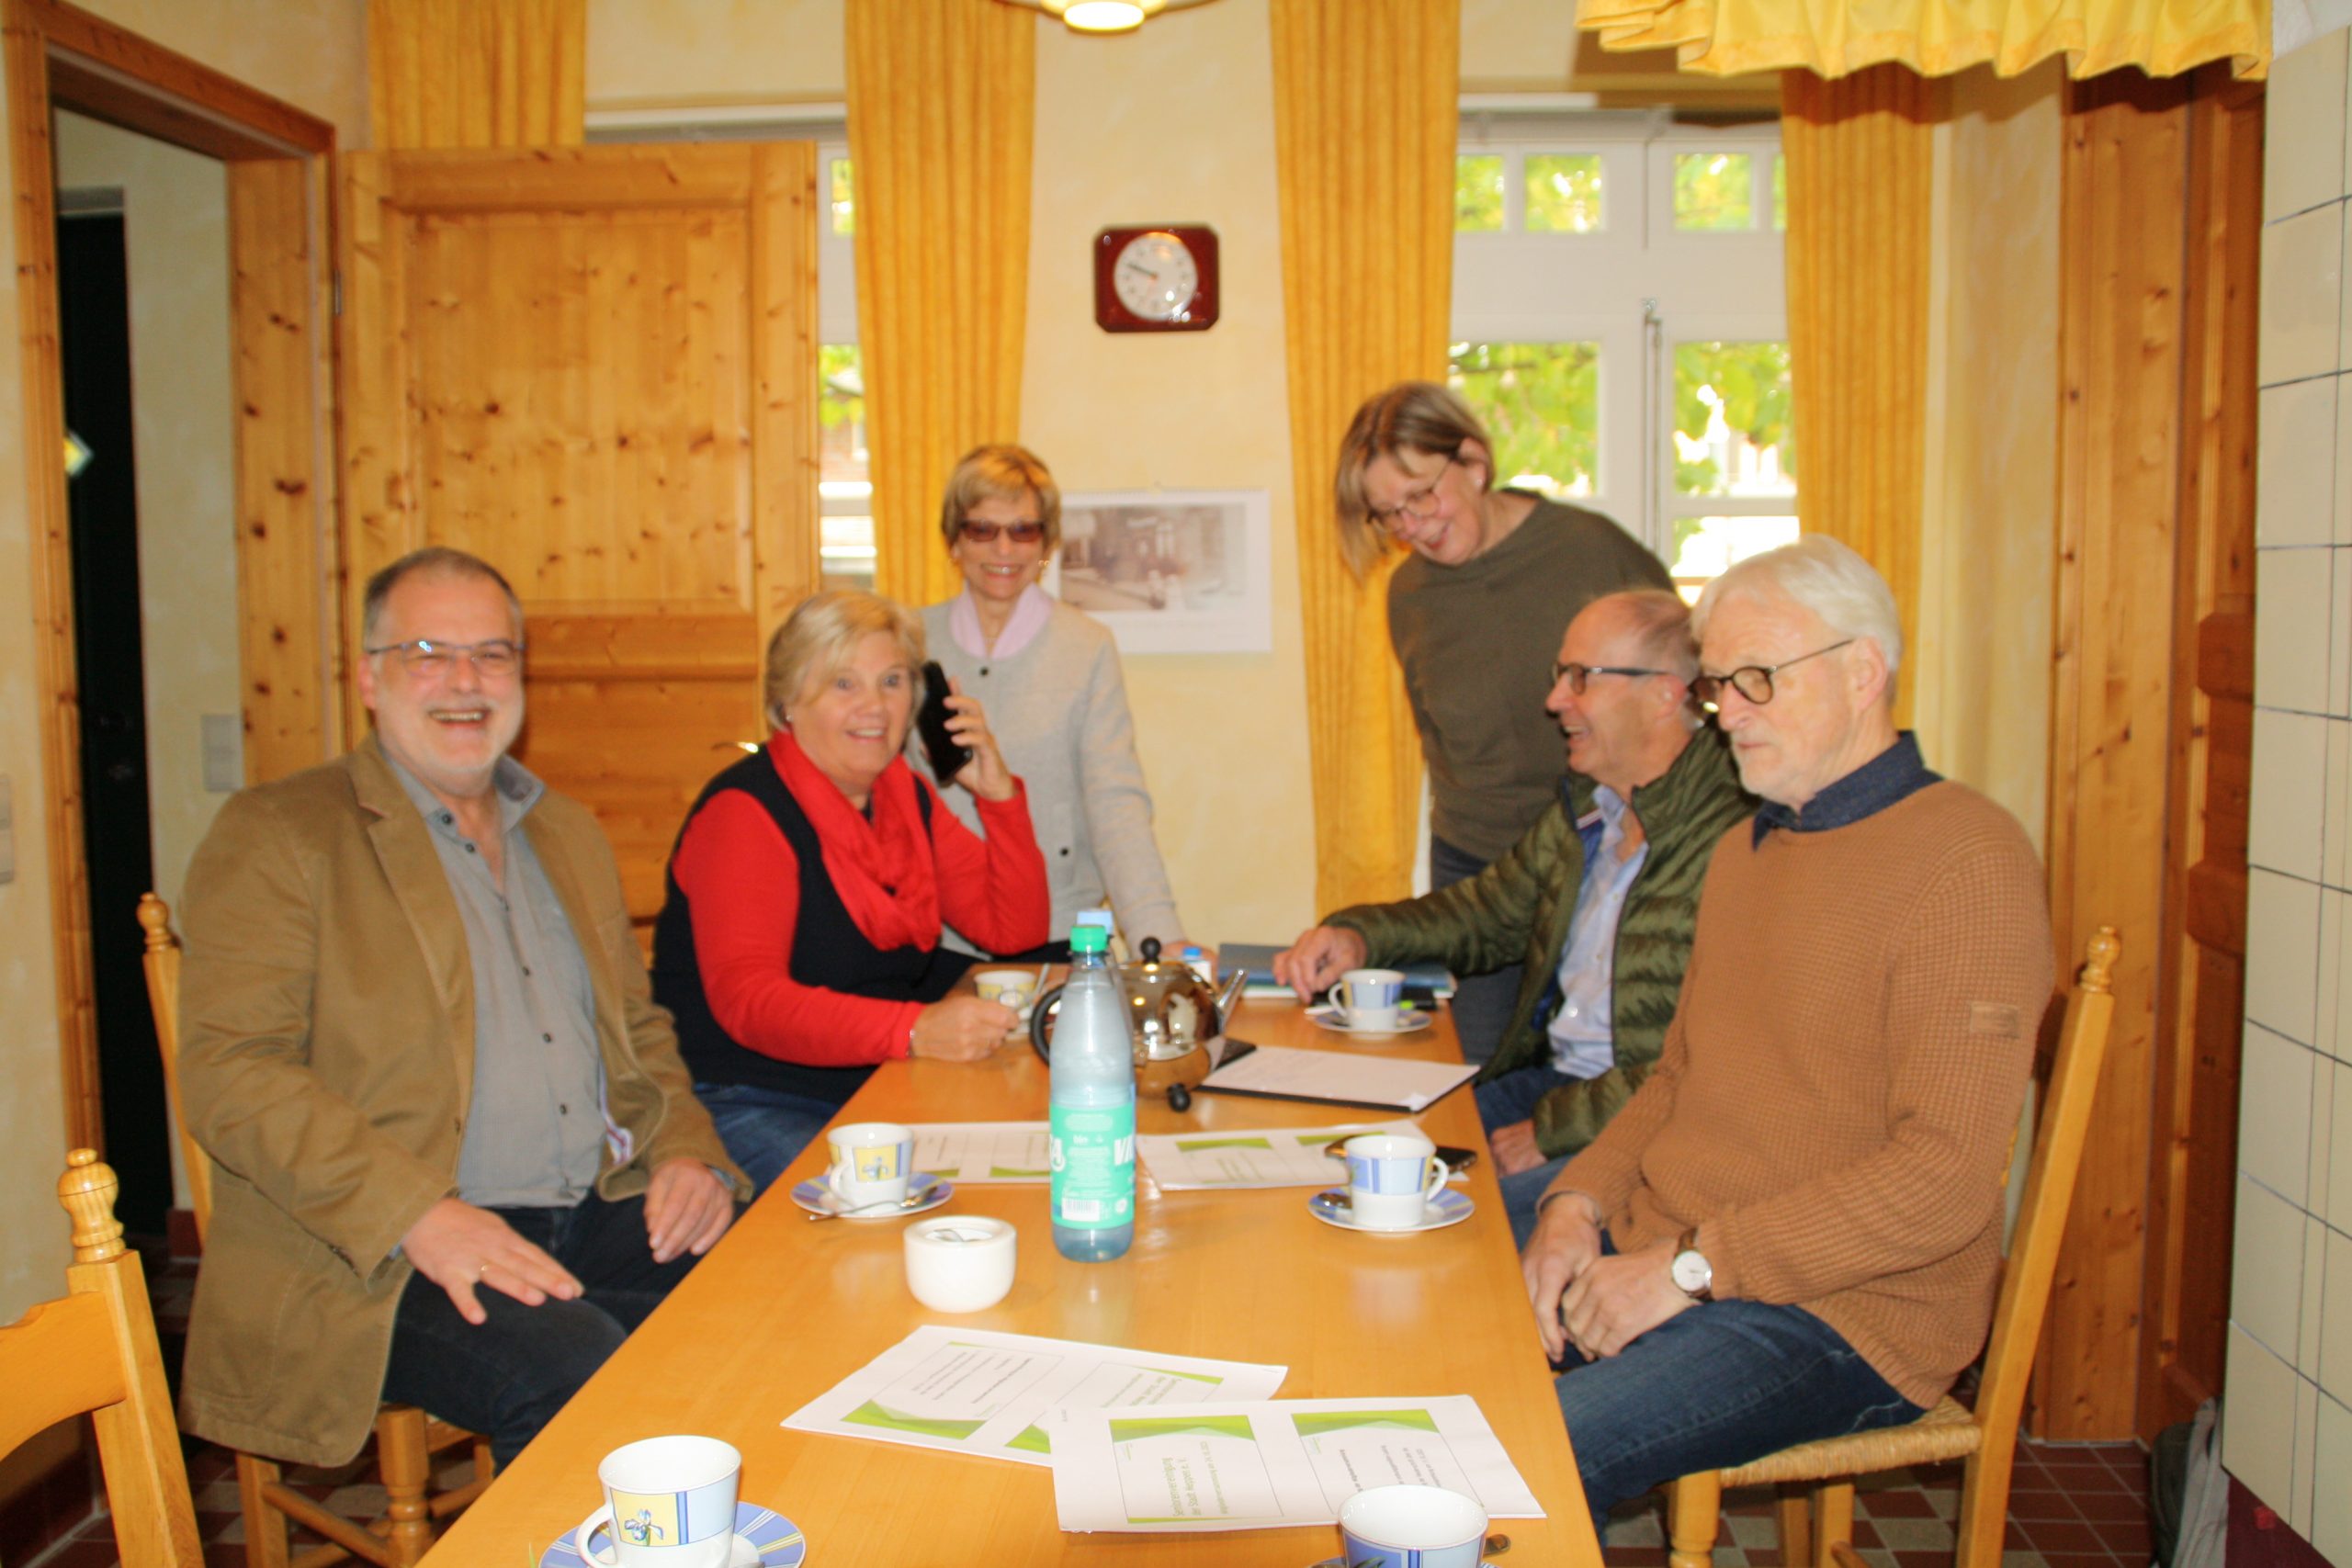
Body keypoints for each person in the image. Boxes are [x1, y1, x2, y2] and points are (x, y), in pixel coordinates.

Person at [1520, 537, 2053, 1532]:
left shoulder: (1968, 861)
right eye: (1719, 685)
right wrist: (1574, 1202)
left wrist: (1688, 1268)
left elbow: (1942, 1180)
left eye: (1757, 680)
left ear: (1862, 673)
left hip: (1846, 1312)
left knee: (1523, 1453)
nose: (1728, 715)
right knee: (1421, 1271)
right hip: (1688, 1241)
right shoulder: (1746, 848)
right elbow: (1675, 1078)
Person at [175, 547, 745, 1471]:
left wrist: (686, 1150)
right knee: (580, 1369)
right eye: (428, 652)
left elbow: (638, 1032)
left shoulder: (566, 831)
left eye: (492, 654)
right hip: (377, 1249)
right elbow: (230, 1075)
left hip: (584, 1204)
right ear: (369, 678)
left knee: (762, 1293)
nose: (466, 681)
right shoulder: (280, 833)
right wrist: (419, 1212)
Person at [1273, 591, 1749, 1242]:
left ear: (1666, 694)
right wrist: (1359, 934)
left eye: (1580, 677)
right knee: (1346, 1161)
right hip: (1553, 1086)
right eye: (1560, 675)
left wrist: (1552, 1131)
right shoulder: (1590, 811)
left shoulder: (1735, 833)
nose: (1555, 700)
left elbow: (1708, 1063)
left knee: (1446, 1232)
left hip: (1645, 1125)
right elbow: (1485, 913)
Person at [652, 589, 1049, 1194]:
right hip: (746, 1098)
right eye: (844, 684)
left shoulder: (903, 795)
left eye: (892, 681)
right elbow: (749, 1002)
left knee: (1019, 1167)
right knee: (889, 1211)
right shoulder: (745, 812)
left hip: (868, 1085)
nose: (875, 707)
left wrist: (997, 796)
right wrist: (915, 1029)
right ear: (788, 701)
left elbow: (1012, 930)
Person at [1335, 382, 1674, 1063]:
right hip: (1476, 868)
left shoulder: (1591, 553)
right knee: (1477, 1071)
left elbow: (1677, 706)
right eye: (1388, 514)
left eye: (1420, 496)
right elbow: (1442, 741)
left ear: (1473, 460)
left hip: (1598, 858)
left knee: (1601, 1064)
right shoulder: (1410, 596)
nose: (1411, 527)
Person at [921, 444, 1185, 955]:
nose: (1004, 549)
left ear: (1046, 545)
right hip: (937, 938)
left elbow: (1115, 804)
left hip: (1059, 933)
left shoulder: (1086, 647)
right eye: (982, 529)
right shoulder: (912, 643)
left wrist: (1160, 937)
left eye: (1023, 530)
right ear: (954, 540)